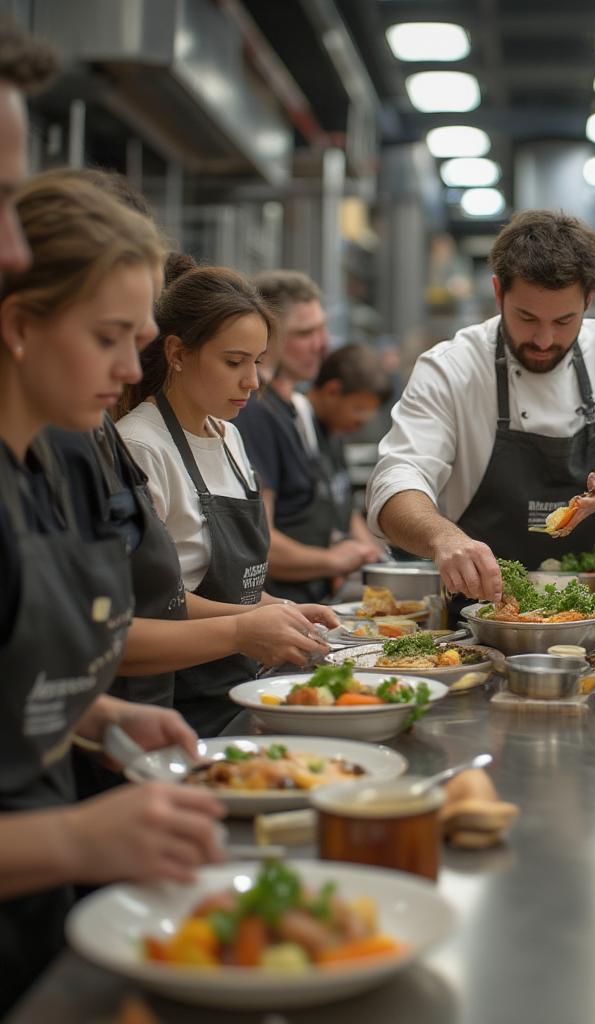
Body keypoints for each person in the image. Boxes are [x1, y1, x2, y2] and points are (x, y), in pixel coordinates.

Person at [0, 163, 223, 1009]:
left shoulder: (45, 462)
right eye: (109, 337)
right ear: (20, 324)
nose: (134, 369)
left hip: (34, 923)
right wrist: (74, 839)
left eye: (139, 338)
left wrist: (92, 711)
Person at [367, 210, 595, 604]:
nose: (543, 339)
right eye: (527, 317)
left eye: (565, 320)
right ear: (499, 292)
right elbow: (397, 479)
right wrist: (442, 536)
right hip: (483, 611)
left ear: (589, 300)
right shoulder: (451, 369)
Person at [117, 266, 332, 736]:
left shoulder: (230, 437)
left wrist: (281, 609)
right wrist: (254, 619)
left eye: (258, 362)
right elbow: (156, 602)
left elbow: (228, 586)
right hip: (181, 702)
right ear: (176, 353)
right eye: (234, 362)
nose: (252, 381)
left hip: (241, 680)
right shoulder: (142, 446)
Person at [235, 271, 377, 603]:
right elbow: (261, 543)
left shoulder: (301, 409)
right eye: (305, 333)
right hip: (281, 606)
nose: (322, 343)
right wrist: (332, 561)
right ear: (266, 337)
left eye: (322, 328)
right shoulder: (254, 412)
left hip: (317, 599)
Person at [304, 342, 392, 556]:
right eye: (358, 409)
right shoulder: (296, 427)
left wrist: (376, 556)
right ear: (333, 391)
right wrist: (332, 561)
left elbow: (345, 506)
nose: (361, 421)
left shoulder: (334, 434)